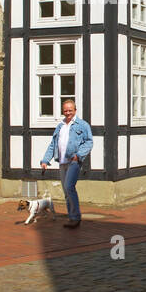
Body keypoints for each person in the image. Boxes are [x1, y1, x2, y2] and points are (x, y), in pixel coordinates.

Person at [40, 98, 92, 229]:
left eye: (70, 110)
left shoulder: (82, 125)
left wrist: (78, 156)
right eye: (65, 110)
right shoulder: (60, 126)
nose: (68, 112)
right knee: (66, 190)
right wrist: (45, 160)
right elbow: (53, 144)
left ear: (75, 110)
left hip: (74, 162)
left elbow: (89, 142)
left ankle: (75, 217)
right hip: (62, 162)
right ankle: (72, 217)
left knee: (69, 186)